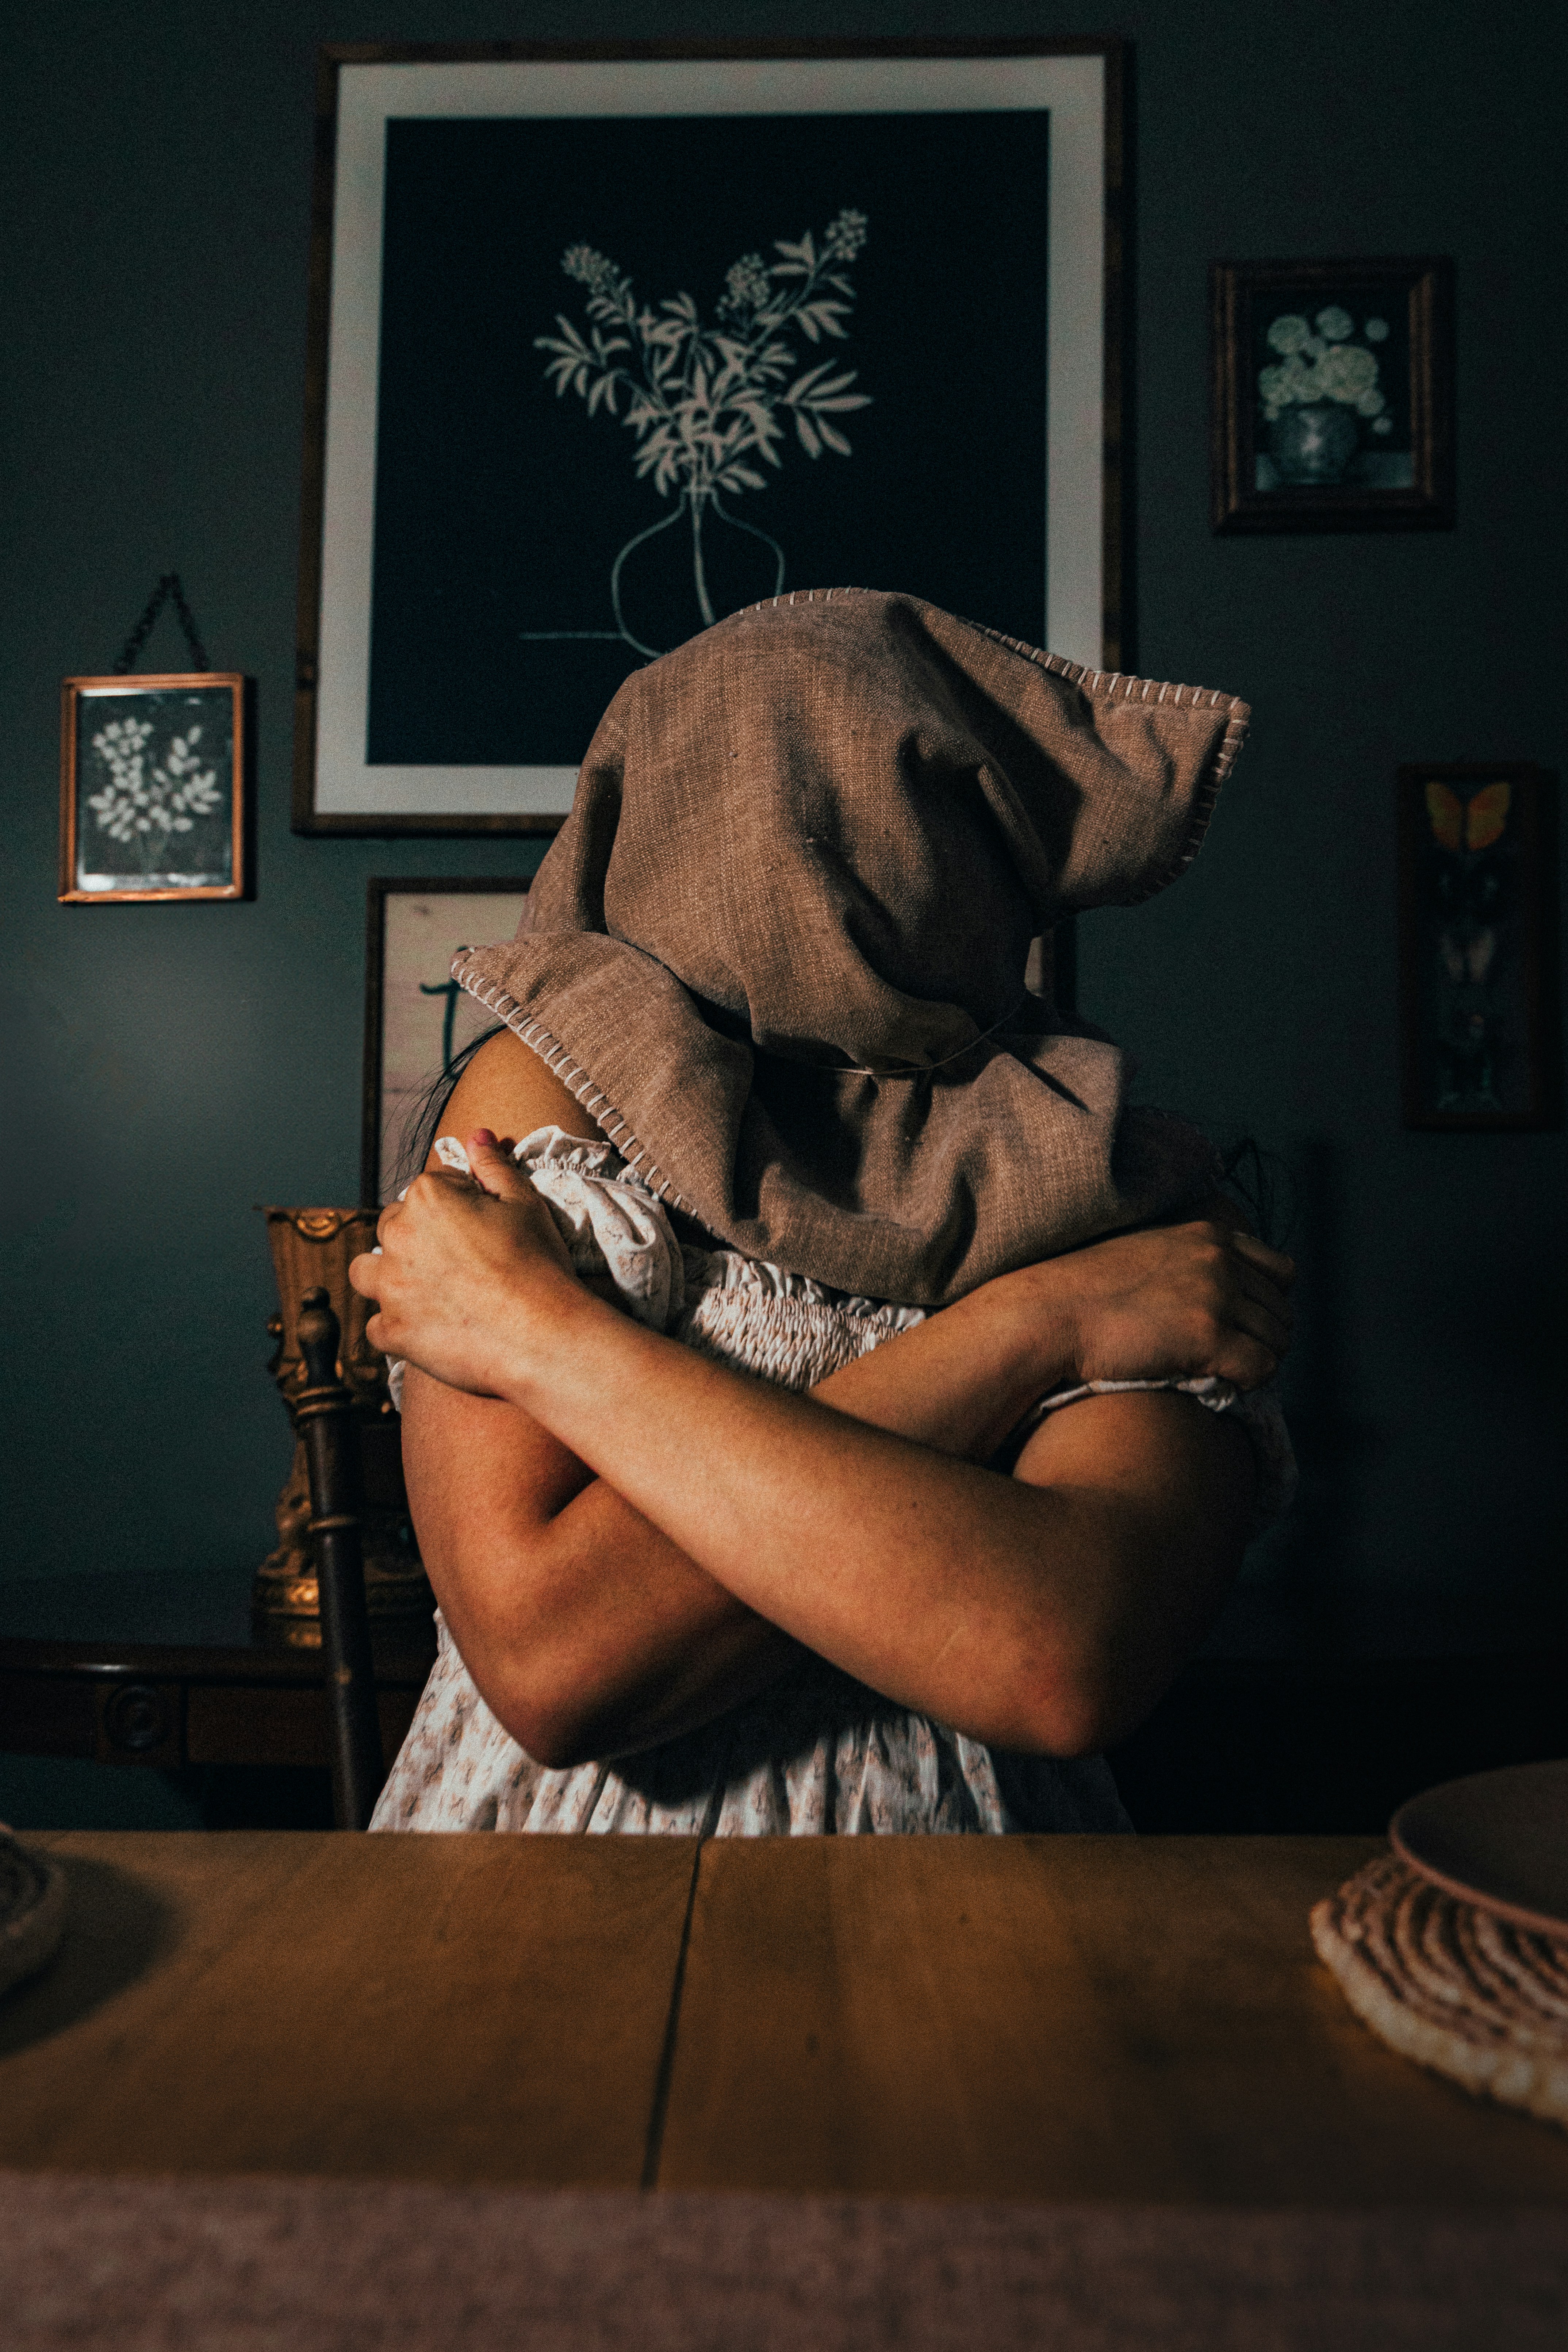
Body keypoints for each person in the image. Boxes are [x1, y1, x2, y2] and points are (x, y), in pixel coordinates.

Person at [351, 588, 1295, 1836]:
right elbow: (554, 1657)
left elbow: (1053, 1651)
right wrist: (1036, 1328)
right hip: (548, 1902)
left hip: (966, 1928)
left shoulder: (1112, 1179)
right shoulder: (552, 1092)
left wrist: (540, 1332)